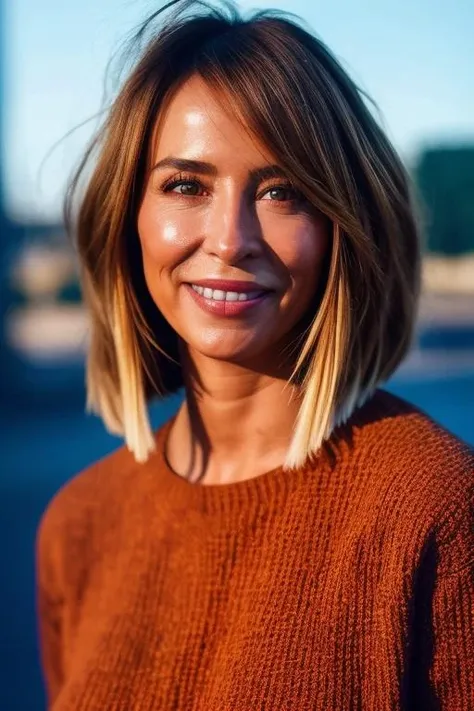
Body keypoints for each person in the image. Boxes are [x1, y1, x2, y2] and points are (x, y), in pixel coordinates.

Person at [36, 0, 474, 709]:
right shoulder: (77, 525)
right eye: (187, 184)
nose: (231, 237)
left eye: (283, 192)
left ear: (342, 225)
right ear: (130, 216)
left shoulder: (439, 509)